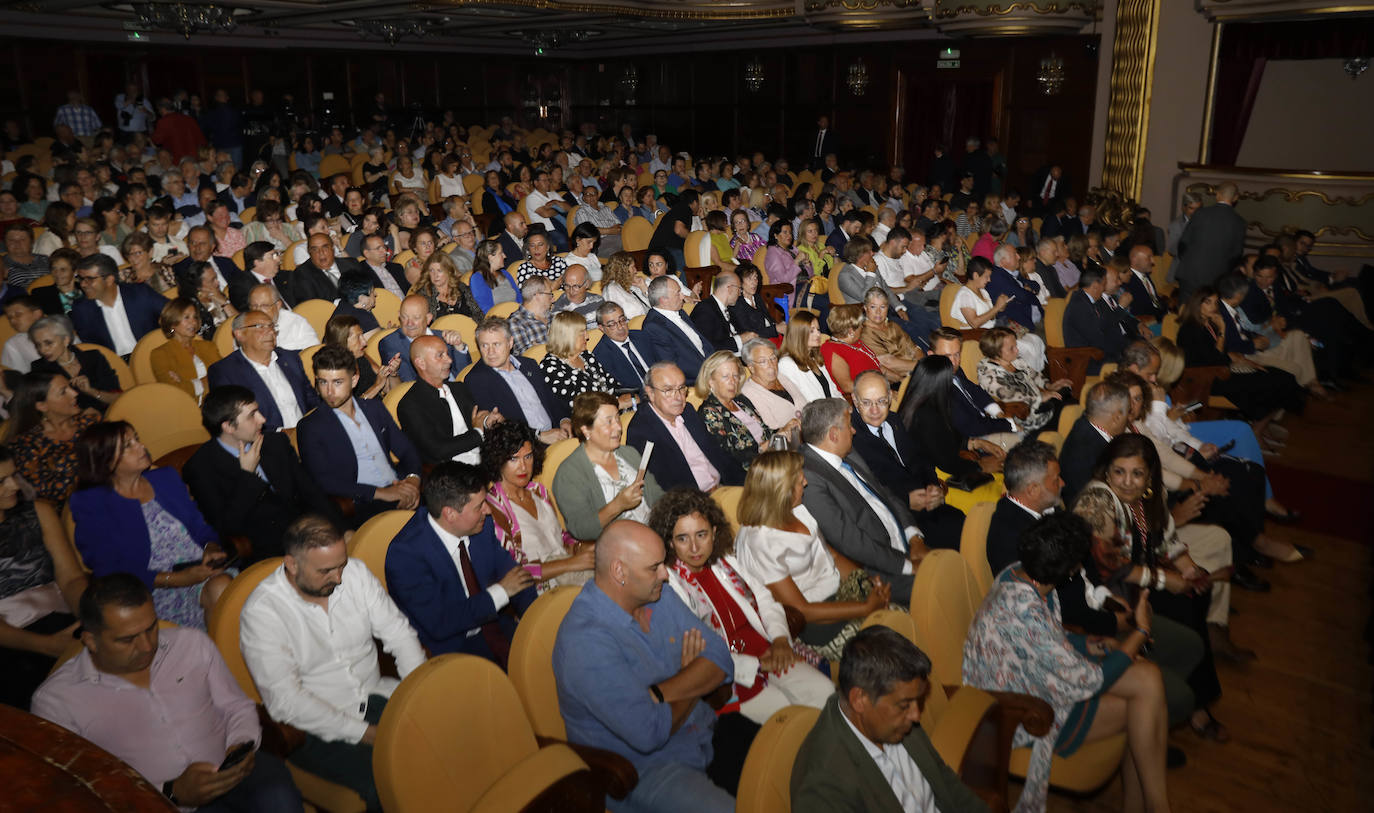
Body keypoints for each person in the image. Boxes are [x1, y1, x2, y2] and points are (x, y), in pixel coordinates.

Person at [32, 574, 304, 813]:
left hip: (234, 771)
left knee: (276, 791)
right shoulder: (57, 701)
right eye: (128, 639)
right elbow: (79, 789)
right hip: (155, 802)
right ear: (90, 640)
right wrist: (171, 792)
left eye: (151, 628)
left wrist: (240, 746)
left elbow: (236, 706)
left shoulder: (190, 644)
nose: (147, 645)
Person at [963, 513, 1172, 813]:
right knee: (1143, 699)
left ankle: (1148, 806)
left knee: (1148, 681)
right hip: (1021, 707)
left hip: (1031, 680)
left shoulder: (1020, 574)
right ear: (1071, 570)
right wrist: (1139, 632)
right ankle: (1153, 806)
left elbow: (1049, 639)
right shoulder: (1025, 609)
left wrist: (1095, 644)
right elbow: (1087, 680)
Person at [240, 515, 426, 811]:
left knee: (445, 743)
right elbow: (286, 702)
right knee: (390, 780)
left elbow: (399, 635)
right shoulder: (263, 613)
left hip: (377, 696)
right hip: (316, 728)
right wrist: (368, 734)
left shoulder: (356, 575)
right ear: (292, 565)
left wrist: (421, 695)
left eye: (341, 565)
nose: (339, 578)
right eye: (326, 571)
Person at [552, 519, 737, 813]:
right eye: (654, 567)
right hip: (647, 771)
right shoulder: (584, 642)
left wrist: (661, 692)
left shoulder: (654, 596)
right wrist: (689, 678)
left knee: (787, 770)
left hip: (705, 732)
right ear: (619, 572)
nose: (665, 574)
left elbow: (720, 657)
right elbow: (649, 732)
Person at [1070, 435, 1234, 743]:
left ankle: (1179, 705)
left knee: (1195, 595)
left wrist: (1187, 567)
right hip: (1107, 597)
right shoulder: (1098, 501)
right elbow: (1110, 567)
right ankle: (1176, 710)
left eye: (1137, 473)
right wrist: (1165, 580)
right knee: (1184, 606)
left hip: (1138, 583)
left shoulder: (1150, 495)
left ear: (1149, 475)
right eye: (1120, 472)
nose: (1128, 482)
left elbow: (1167, 539)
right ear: (1107, 471)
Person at [649, 487, 833, 724]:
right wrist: (757, 664)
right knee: (788, 717)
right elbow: (697, 650)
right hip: (729, 673)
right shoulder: (670, 588)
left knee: (825, 692)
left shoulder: (727, 562)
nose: (694, 547)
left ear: (714, 533)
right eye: (682, 538)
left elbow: (766, 601)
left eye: (701, 535)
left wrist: (779, 639)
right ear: (670, 543)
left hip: (769, 651)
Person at [791, 626, 989, 812]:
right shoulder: (823, 787)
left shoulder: (894, 719)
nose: (916, 715)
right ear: (860, 699)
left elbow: (943, 781)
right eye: (904, 705)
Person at [70, 421, 232, 630]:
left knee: (233, 588)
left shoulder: (165, 478)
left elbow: (199, 527)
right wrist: (176, 579)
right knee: (222, 589)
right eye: (128, 446)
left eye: (137, 438)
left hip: (202, 571)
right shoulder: (91, 502)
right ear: (107, 461)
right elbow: (108, 569)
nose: (141, 446)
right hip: (149, 590)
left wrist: (211, 547)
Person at [733, 450, 891, 662]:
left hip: (839, 594)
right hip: (815, 622)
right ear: (783, 491)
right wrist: (865, 608)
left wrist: (867, 582)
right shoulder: (760, 541)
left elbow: (831, 555)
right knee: (886, 648)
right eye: (799, 481)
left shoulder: (797, 509)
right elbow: (801, 609)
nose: (805, 483)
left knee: (897, 617)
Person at [385, 461, 537, 668]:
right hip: (451, 648)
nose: (488, 510)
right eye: (479, 506)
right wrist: (501, 592)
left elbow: (515, 576)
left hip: (495, 626)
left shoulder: (480, 525)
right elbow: (440, 623)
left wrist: (536, 623)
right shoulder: (405, 555)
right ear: (450, 514)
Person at [183, 385, 340, 563]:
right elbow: (226, 527)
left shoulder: (275, 443)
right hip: (267, 553)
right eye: (252, 415)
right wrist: (247, 476)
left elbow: (311, 492)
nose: (262, 419)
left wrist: (342, 529)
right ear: (228, 426)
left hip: (310, 533)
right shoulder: (201, 468)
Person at [799, 397, 925, 604]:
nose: (854, 431)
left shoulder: (848, 452)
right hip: (879, 572)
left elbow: (886, 494)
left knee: (952, 561)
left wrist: (913, 537)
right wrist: (908, 566)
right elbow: (849, 540)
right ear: (833, 434)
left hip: (905, 546)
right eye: (849, 426)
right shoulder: (809, 479)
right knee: (941, 586)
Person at [0, 443, 88, 710]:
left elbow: (72, 579)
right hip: (11, 640)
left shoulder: (38, 512)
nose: (15, 486)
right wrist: (47, 645)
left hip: (64, 615)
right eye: (1, 481)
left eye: (14, 475)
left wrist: (90, 618)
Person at [297, 346, 422, 523]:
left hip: (399, 487)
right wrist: (380, 493)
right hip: (360, 503)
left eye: (337, 382)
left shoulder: (374, 409)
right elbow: (322, 480)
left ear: (354, 380)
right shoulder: (310, 426)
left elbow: (406, 450)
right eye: (323, 382)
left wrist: (412, 481)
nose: (329, 391)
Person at [849, 371, 965, 548]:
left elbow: (920, 459)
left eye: (881, 401)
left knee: (970, 529)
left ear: (890, 397)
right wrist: (906, 500)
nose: (874, 411)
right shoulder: (850, 439)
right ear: (855, 401)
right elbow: (866, 491)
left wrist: (933, 486)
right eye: (866, 403)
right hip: (898, 521)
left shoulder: (894, 420)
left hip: (930, 506)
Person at [1176, 287, 1303, 439]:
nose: (1213, 307)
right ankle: (1257, 429)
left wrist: (1247, 362)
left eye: (1216, 303)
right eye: (1208, 302)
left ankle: (1260, 427)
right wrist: (1222, 330)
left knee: (1280, 376)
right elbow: (1214, 358)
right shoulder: (1189, 329)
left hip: (1221, 372)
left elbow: (1225, 354)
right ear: (1197, 304)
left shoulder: (1209, 323)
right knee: (1276, 382)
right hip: (1207, 381)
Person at [482, 420, 594, 592]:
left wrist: (578, 547)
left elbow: (559, 536)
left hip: (572, 574)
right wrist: (571, 563)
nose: (523, 467)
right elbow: (514, 575)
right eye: (514, 459)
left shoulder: (539, 491)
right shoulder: (494, 509)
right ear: (498, 461)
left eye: (528, 456)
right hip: (541, 594)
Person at [553, 391, 664, 541]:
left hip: (657, 534)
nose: (618, 427)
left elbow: (657, 496)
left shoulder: (629, 454)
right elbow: (581, 529)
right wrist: (618, 505)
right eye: (609, 421)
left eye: (618, 418)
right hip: (617, 549)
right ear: (586, 430)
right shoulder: (569, 473)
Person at [628, 361, 745, 491]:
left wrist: (747, 483)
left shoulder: (687, 411)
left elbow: (718, 453)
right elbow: (661, 486)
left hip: (725, 487)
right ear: (650, 393)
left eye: (681, 388)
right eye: (668, 390)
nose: (678, 397)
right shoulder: (641, 430)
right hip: (693, 502)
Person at [206, 310, 317, 432]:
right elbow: (234, 422)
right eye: (260, 327)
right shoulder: (225, 372)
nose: (270, 331)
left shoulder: (290, 359)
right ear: (239, 334)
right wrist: (281, 433)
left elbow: (311, 400)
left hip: (307, 434)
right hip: (264, 442)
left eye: (272, 326)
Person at [396, 335, 495, 466]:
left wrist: (488, 421)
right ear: (421, 363)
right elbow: (437, 450)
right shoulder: (410, 404)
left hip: (486, 462)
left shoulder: (459, 388)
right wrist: (478, 433)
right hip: (450, 474)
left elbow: (478, 420)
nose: (449, 360)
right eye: (440, 355)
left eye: (447, 354)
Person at [4, 372, 101, 502]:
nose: (75, 393)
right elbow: (54, 492)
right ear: (42, 406)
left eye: (70, 387)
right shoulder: (26, 445)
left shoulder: (89, 421)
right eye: (63, 392)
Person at [697, 350, 795, 470]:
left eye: (735, 375)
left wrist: (785, 429)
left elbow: (766, 432)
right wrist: (766, 446)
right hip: (752, 471)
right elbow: (730, 458)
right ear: (710, 381)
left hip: (772, 459)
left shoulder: (740, 401)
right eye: (725, 376)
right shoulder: (709, 413)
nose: (733, 381)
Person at [986, 440, 1064, 575]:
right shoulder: (1010, 540)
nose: (1063, 483)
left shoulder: (1047, 506)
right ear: (1033, 490)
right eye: (1056, 480)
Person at [977, 326, 1071, 433]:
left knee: (1066, 394)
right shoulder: (989, 376)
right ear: (996, 353)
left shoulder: (1015, 360)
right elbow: (1010, 396)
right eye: (1011, 348)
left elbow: (1034, 375)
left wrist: (1049, 386)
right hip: (1022, 417)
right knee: (1067, 410)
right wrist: (1040, 397)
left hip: (1038, 406)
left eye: (1016, 345)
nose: (1017, 350)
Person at [69, 254, 165, 356]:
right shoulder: (81, 309)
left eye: (89, 279)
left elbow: (174, 313)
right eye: (81, 279)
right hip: (116, 365)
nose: (83, 284)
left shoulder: (139, 293)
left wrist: (169, 335)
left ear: (109, 280)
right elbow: (91, 348)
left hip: (152, 354)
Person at [29, 314, 121, 412]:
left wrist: (92, 392)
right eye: (38, 345)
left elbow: (118, 398)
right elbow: (46, 409)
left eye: (48, 343)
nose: (42, 350)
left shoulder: (94, 358)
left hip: (110, 415)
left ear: (66, 340)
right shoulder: (39, 369)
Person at [640, 275, 722, 383]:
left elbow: (702, 343)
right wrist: (710, 374)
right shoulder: (653, 327)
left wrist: (719, 364)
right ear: (663, 300)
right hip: (696, 380)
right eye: (678, 292)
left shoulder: (680, 312)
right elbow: (673, 366)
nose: (683, 296)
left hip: (710, 369)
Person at [539, 310, 627, 410]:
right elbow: (576, 406)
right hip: (590, 419)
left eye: (586, 332)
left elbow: (613, 385)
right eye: (582, 333)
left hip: (615, 410)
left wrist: (630, 396)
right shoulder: (551, 366)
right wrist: (617, 404)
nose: (587, 337)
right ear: (567, 336)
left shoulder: (586, 355)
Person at [1058, 381, 1130, 501]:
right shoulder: (1087, 451)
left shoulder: (1085, 425)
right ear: (1117, 417)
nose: (1129, 418)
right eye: (1128, 412)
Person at [377, 294, 471, 383]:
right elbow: (408, 384)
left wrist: (459, 346)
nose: (409, 323)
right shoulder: (391, 344)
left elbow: (465, 375)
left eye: (416, 318)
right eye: (405, 317)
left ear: (428, 318)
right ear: (399, 316)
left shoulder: (444, 337)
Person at [1174, 182, 1246, 296]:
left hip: (1190, 273)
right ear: (1235, 198)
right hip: (1217, 278)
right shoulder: (1239, 222)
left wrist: (1189, 261)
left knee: (1186, 309)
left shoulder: (1201, 213)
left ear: (1217, 194)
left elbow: (1183, 243)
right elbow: (1236, 255)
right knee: (1207, 311)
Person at [150, 298, 222, 403]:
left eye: (195, 317)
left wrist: (188, 383)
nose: (193, 322)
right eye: (186, 318)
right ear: (172, 322)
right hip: (187, 408)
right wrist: (206, 382)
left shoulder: (208, 346)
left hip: (219, 403)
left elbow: (224, 377)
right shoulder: (160, 354)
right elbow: (176, 392)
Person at [591, 301, 654, 389]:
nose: (620, 327)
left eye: (622, 320)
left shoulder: (642, 336)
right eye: (612, 324)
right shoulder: (601, 356)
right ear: (602, 328)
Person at [412, 251, 480, 321]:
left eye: (439, 271)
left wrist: (468, 322)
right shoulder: (423, 295)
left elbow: (479, 314)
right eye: (432, 271)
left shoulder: (462, 288)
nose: (435, 275)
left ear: (449, 271)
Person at [507, 276, 555, 354]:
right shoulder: (515, 323)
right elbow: (529, 357)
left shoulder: (553, 316)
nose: (553, 299)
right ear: (538, 296)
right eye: (550, 294)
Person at [553, 263, 605, 328]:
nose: (571, 291)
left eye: (576, 286)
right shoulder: (560, 311)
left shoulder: (598, 300)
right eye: (567, 286)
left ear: (587, 284)